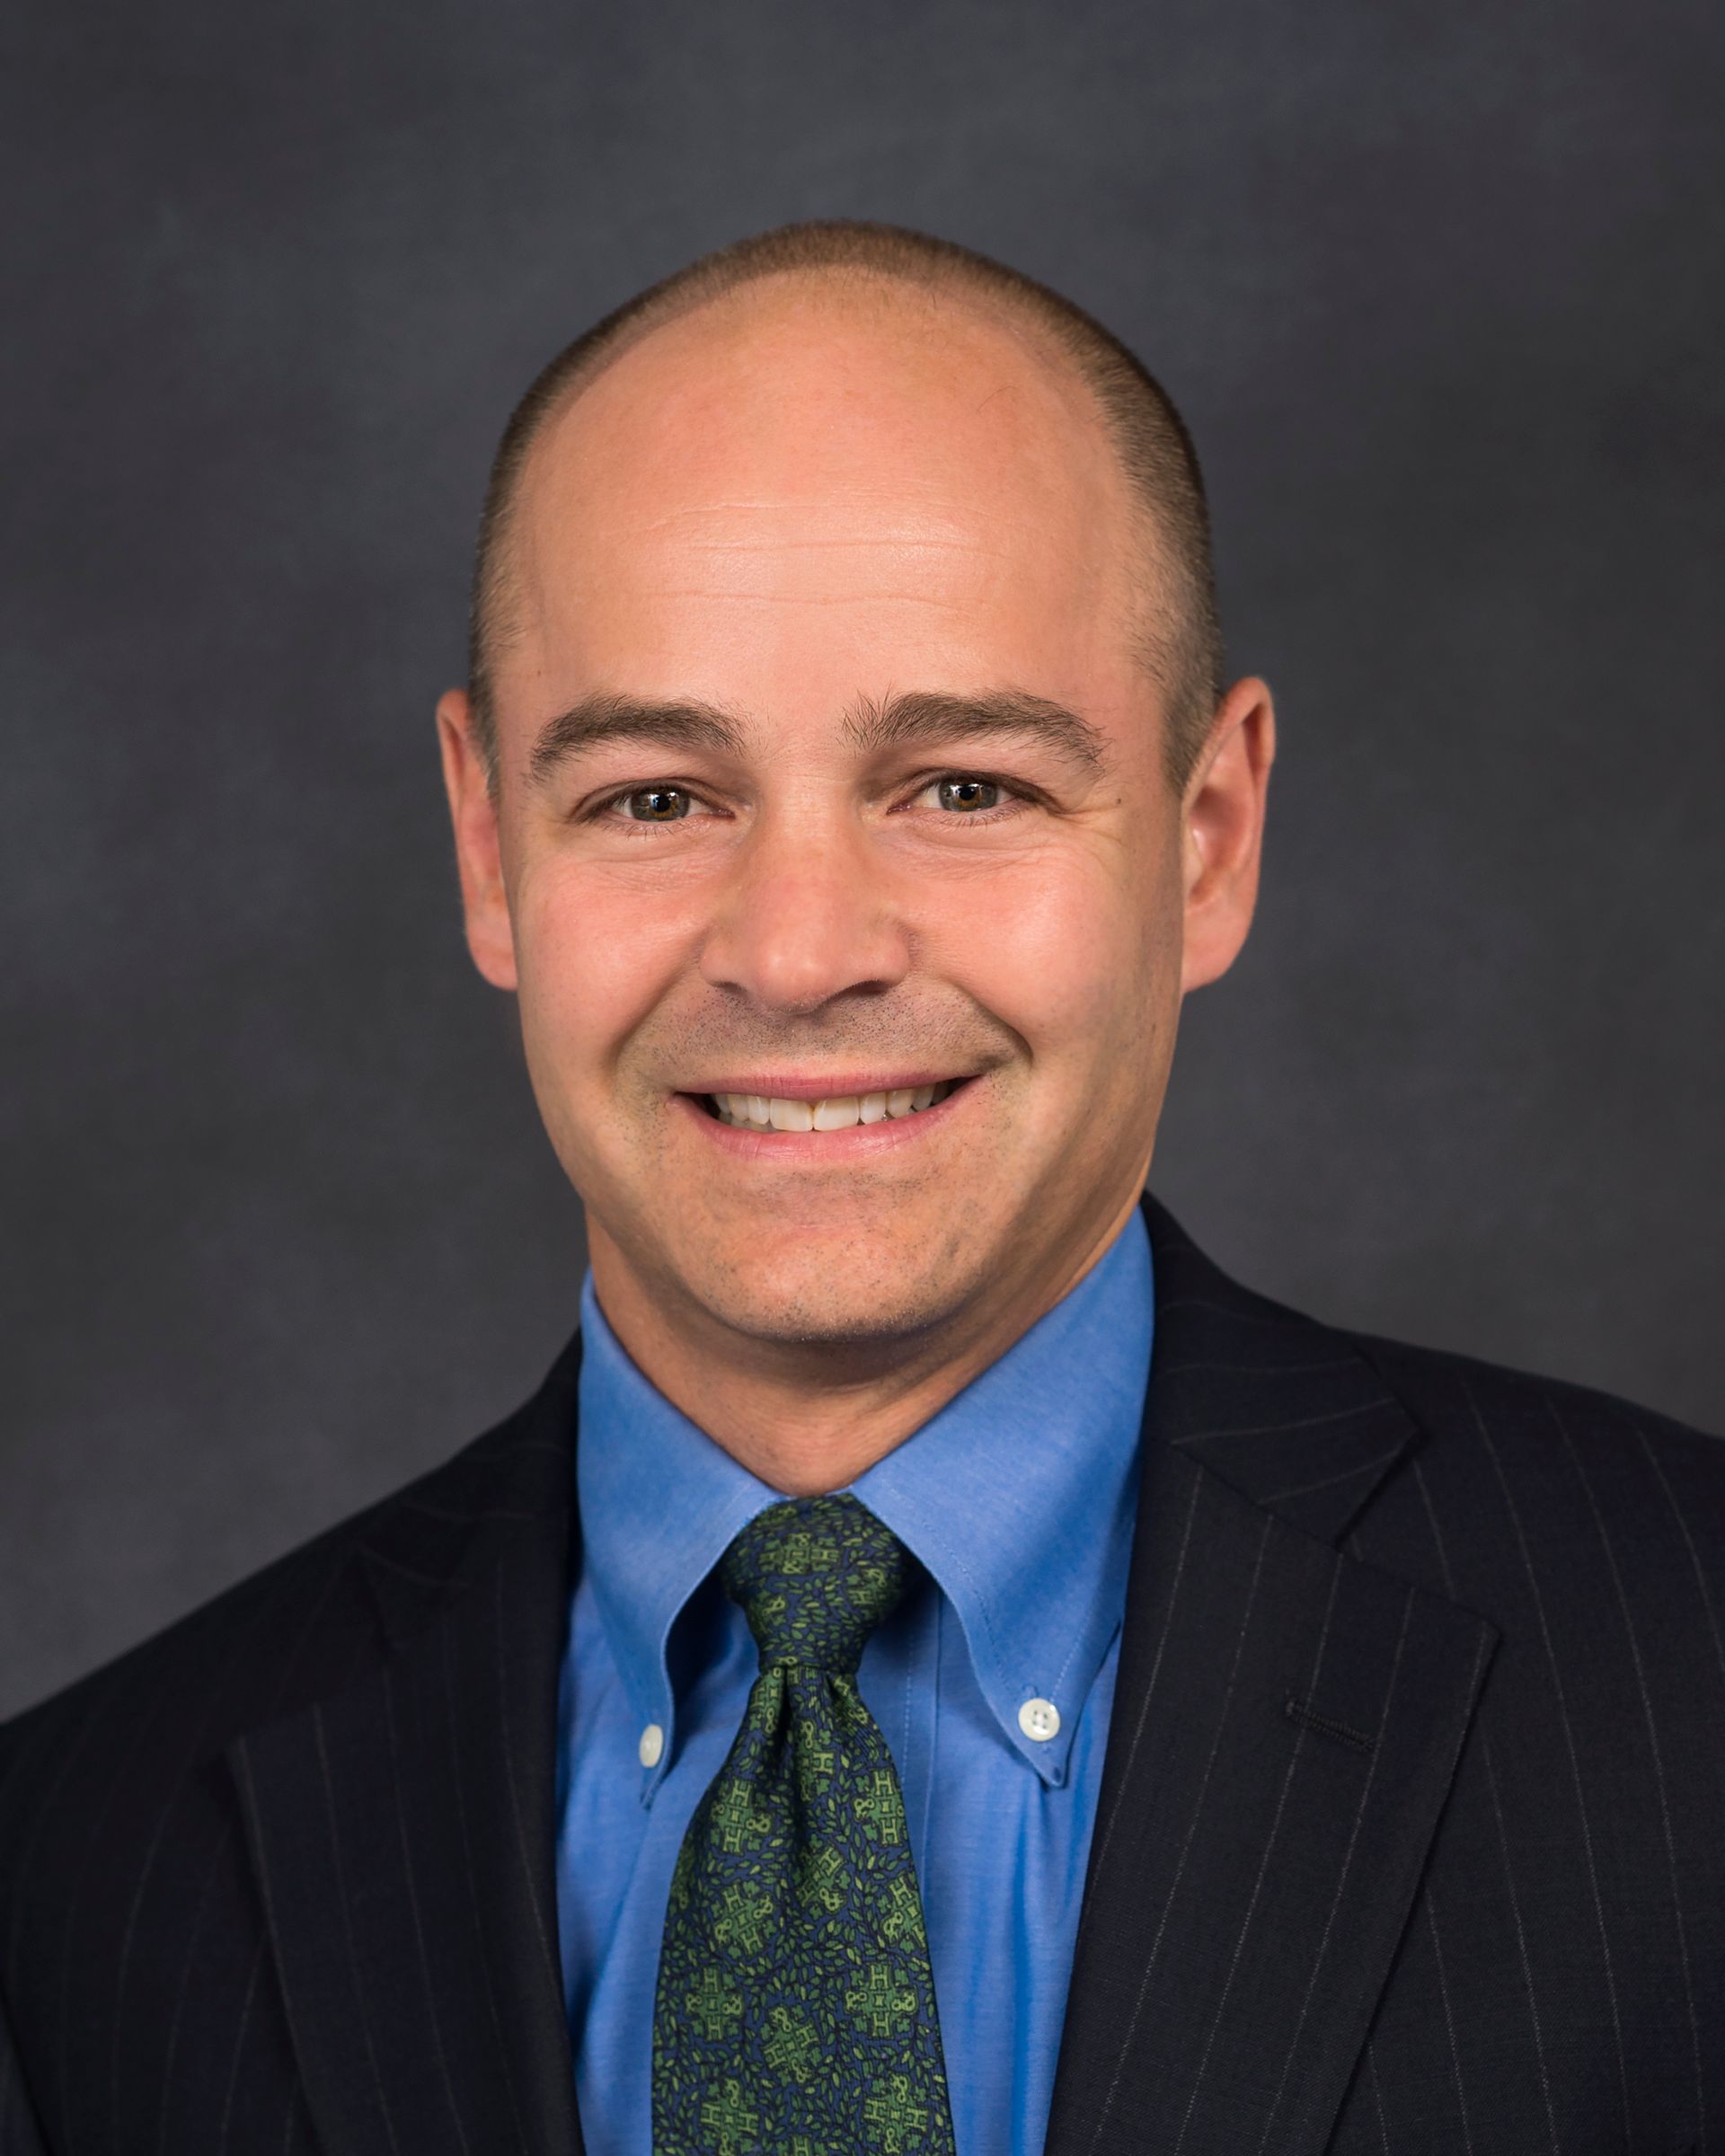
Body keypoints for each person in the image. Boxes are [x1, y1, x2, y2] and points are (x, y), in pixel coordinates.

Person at [1, 219, 1720, 2156]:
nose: (801, 950)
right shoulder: (71, 1876)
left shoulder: (1686, 1691)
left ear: (1209, 836)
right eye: (656, 795)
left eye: (965, 787)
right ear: (490, 849)